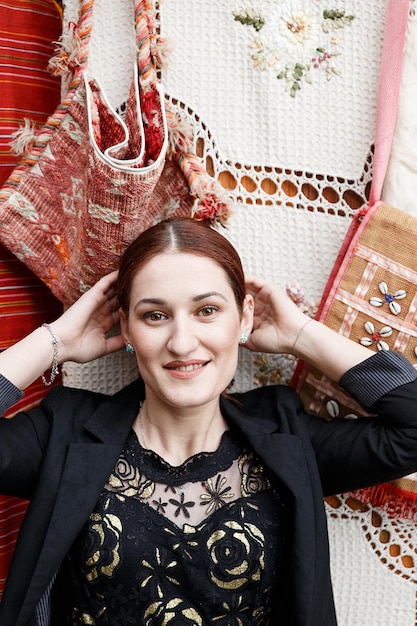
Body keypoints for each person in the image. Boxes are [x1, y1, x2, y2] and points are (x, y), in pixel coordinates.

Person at [0, 218, 416, 626]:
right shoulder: (64, 432)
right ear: (125, 326)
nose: (182, 342)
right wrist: (55, 341)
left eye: (207, 310)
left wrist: (301, 336)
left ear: (244, 316)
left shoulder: (288, 435)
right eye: (154, 316)